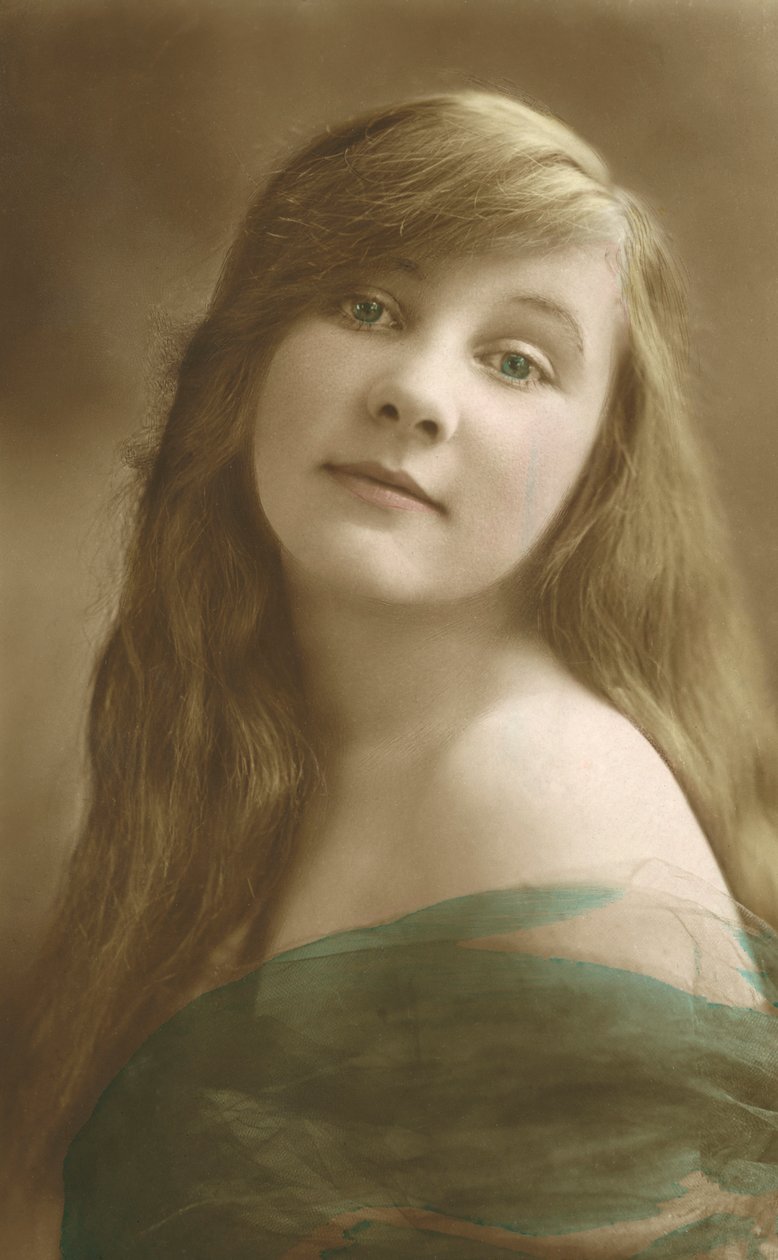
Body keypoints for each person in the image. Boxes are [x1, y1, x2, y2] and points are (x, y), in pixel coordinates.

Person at [4, 89, 778, 1256]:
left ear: (598, 470)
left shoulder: (531, 787)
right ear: (252, 351)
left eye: (516, 362)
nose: (414, 393)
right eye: (368, 304)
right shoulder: (250, 735)